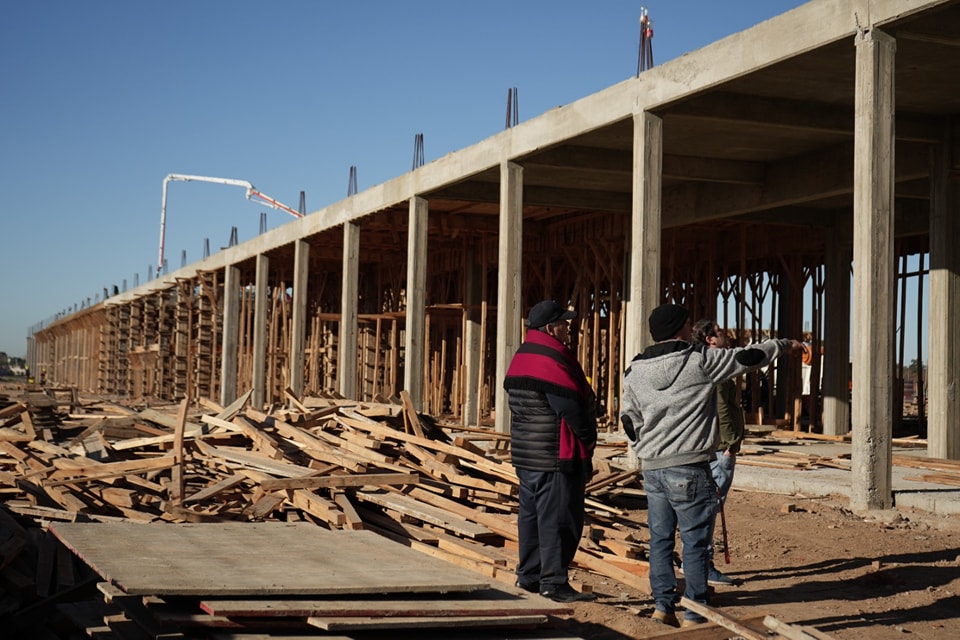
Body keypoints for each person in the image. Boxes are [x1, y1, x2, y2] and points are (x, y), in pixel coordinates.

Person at [620, 304, 802, 627]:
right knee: (695, 543)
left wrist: (644, 449)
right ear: (678, 329)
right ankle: (694, 612)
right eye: (688, 324)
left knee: (660, 539)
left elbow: (629, 418)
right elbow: (749, 357)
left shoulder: (635, 370)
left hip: (653, 468)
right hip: (689, 466)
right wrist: (784, 345)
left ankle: (663, 606)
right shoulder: (699, 360)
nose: (693, 329)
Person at [503, 299, 598, 603]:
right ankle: (554, 582)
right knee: (559, 520)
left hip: (528, 453)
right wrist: (588, 438)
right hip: (554, 454)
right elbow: (571, 408)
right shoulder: (550, 359)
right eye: (564, 323)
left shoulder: (523, 355)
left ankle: (529, 576)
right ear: (550, 328)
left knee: (531, 518)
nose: (569, 328)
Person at [691, 318, 744, 586]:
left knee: (703, 508)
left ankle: (696, 562)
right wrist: (731, 444)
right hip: (720, 449)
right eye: (721, 333)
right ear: (711, 339)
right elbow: (723, 407)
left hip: (710, 446)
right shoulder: (718, 364)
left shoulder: (701, 361)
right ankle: (704, 566)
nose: (726, 335)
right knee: (710, 509)